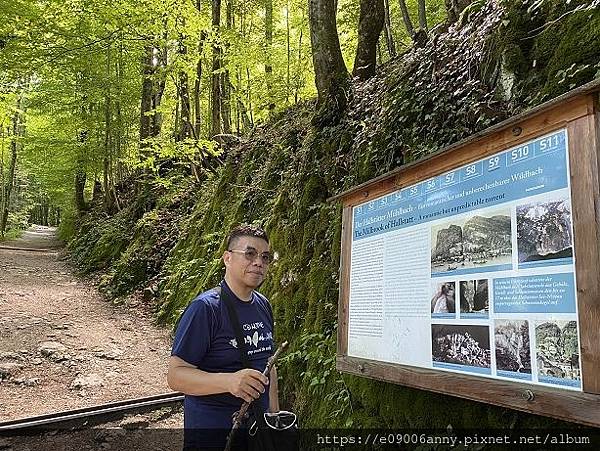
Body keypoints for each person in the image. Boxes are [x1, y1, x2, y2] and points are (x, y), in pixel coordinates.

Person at [167, 224, 279, 450]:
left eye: (265, 257)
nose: (258, 262)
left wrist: (273, 417)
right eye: (250, 254)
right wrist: (229, 381)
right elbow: (176, 376)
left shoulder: (263, 305)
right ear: (227, 258)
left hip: (256, 431)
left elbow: (269, 364)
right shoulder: (205, 308)